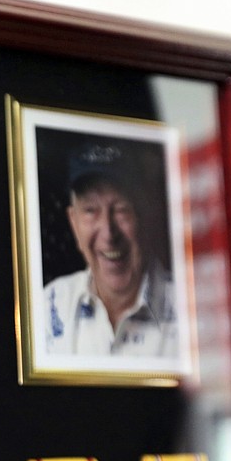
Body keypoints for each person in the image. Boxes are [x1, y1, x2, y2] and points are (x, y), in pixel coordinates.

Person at [42, 140, 178, 358]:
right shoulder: (48, 307)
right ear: (73, 222)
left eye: (122, 209)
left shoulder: (194, 312)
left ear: (146, 217)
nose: (108, 232)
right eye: (90, 210)